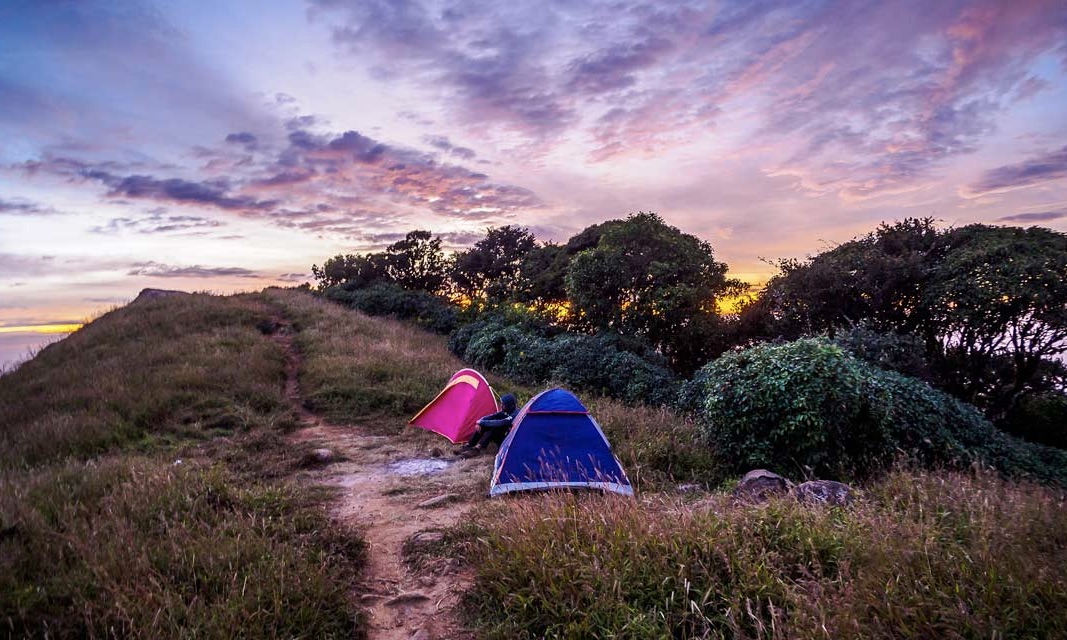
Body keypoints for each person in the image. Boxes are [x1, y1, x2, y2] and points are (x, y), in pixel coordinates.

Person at [454, 393, 519, 457]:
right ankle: (469, 445)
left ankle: (477, 449)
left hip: (506, 439)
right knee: (484, 425)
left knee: (495, 427)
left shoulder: (515, 414)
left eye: (503, 405)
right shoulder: (506, 410)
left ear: (510, 406)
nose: (501, 406)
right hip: (500, 433)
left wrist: (483, 422)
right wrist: (479, 422)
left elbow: (501, 422)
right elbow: (492, 416)